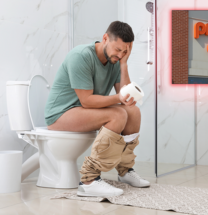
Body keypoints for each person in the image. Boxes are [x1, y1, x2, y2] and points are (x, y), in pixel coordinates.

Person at [44, 21, 150, 198]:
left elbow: (126, 97)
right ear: (105, 38)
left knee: (133, 112)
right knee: (117, 114)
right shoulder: (81, 56)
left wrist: (124, 64)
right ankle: (89, 181)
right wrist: (118, 98)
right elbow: (86, 101)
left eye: (125, 51)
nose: (120, 54)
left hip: (83, 111)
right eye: (117, 49)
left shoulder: (116, 60)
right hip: (61, 113)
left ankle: (125, 171)